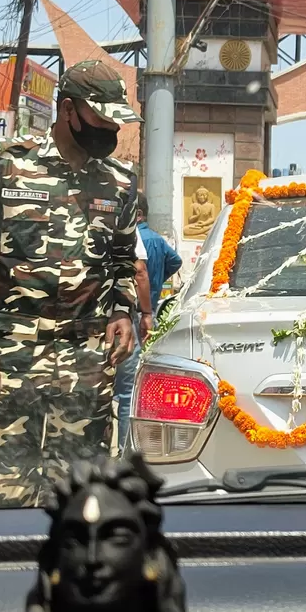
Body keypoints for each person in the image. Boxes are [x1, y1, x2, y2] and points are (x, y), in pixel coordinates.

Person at [0, 58, 140, 508]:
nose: (110, 128)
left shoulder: (120, 183)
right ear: (68, 111)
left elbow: (123, 261)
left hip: (86, 364)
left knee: (80, 499)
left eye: (116, 119)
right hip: (9, 357)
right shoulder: (3, 167)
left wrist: (123, 311)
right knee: (5, 493)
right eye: (100, 117)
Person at [113, 193, 182, 450]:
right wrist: (149, 306)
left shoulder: (111, 231)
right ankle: (125, 452)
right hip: (136, 313)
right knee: (130, 390)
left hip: (105, 315)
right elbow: (170, 263)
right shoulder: (153, 239)